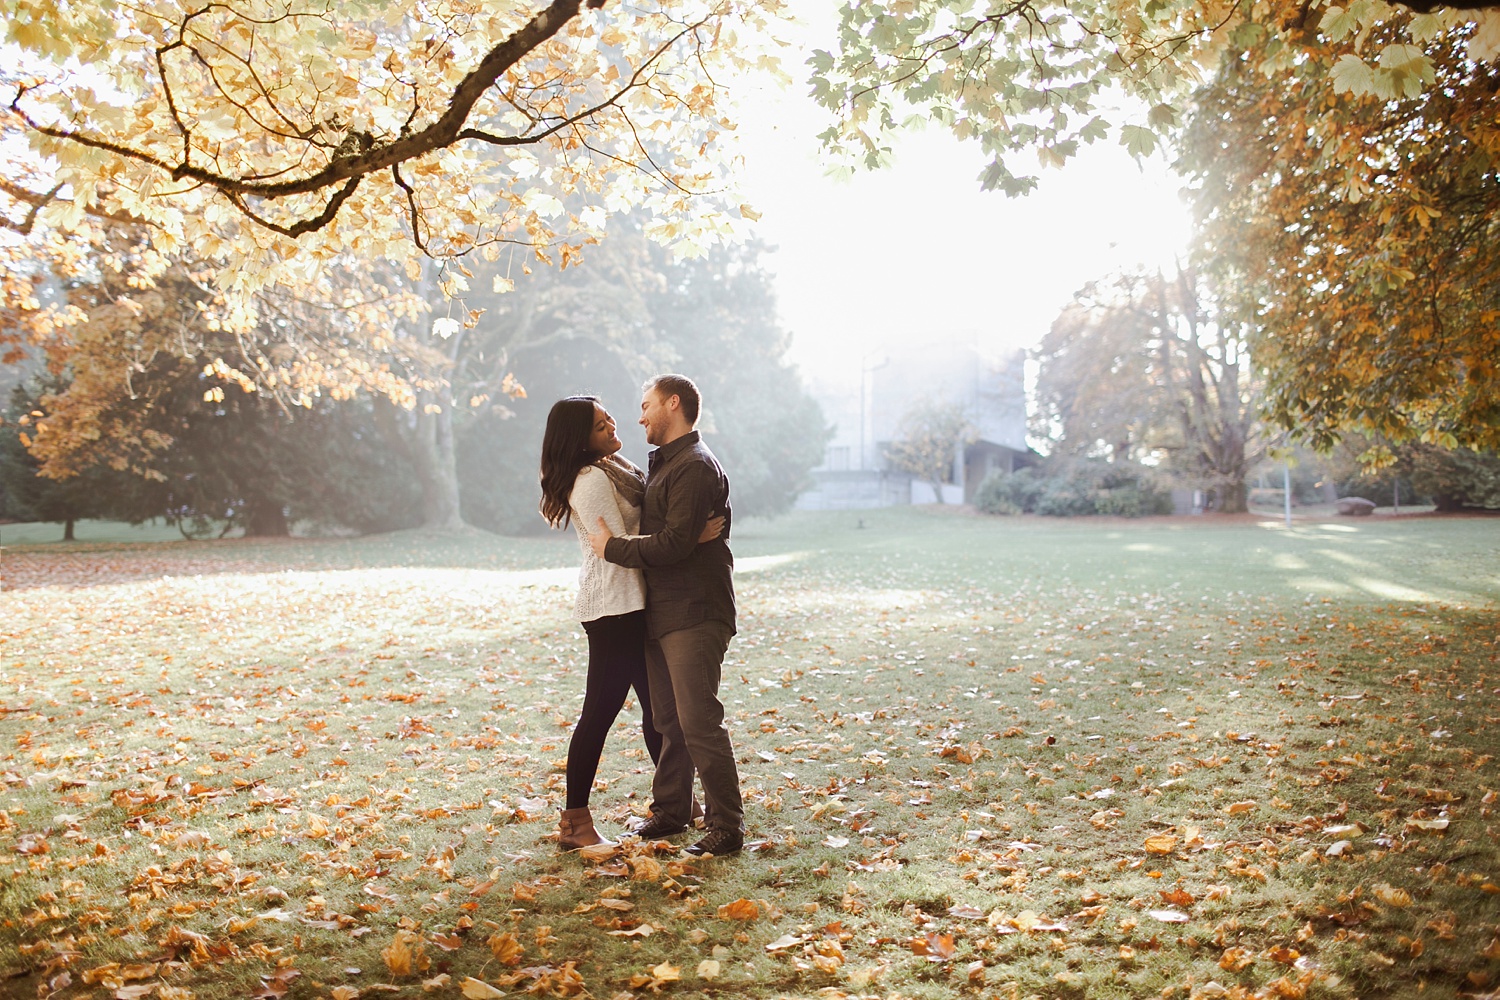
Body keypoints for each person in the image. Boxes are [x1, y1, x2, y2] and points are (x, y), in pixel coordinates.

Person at [539, 395, 721, 851]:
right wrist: (686, 539)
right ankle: (575, 823)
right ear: (580, 440)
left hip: (636, 604)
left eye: (609, 418)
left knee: (660, 714)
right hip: (612, 607)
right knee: (599, 713)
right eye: (600, 426)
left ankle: (679, 804)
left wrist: (678, 536)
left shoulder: (617, 467)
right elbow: (613, 543)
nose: (613, 425)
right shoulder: (590, 479)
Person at [589, 374, 744, 857]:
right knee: (668, 722)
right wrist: (687, 538)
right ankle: (672, 812)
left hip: (694, 610)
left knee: (698, 721)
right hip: (663, 609)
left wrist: (612, 548)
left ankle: (726, 827)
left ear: (673, 404)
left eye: (646, 405)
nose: (640, 417)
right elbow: (680, 531)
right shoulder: (670, 464)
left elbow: (676, 541)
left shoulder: (694, 465)